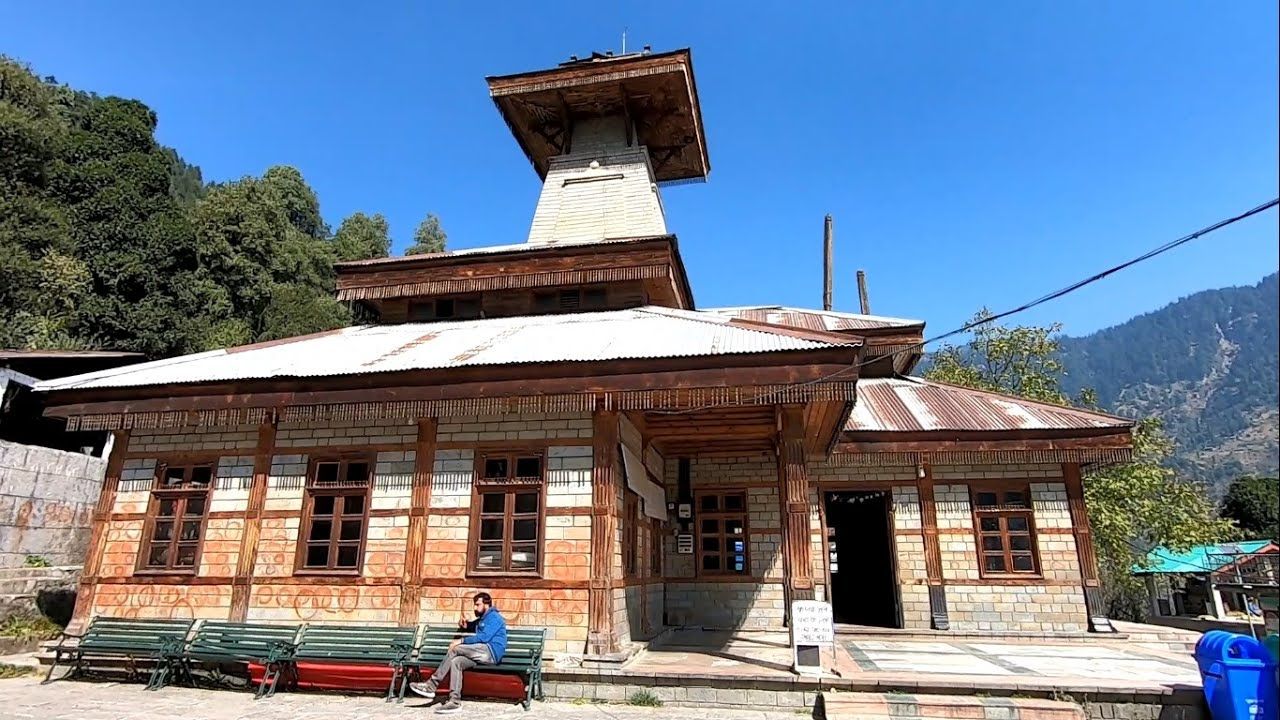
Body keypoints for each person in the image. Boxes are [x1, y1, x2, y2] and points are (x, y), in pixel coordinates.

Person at [409, 591, 508, 715]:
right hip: (481, 652)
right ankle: (454, 702)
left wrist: (459, 641)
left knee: (455, 649)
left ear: (487, 604)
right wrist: (465, 625)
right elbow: (474, 626)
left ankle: (431, 685)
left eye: (478, 604)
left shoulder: (494, 617)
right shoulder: (483, 619)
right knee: (457, 662)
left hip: (490, 651)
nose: (475, 608)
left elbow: (483, 637)